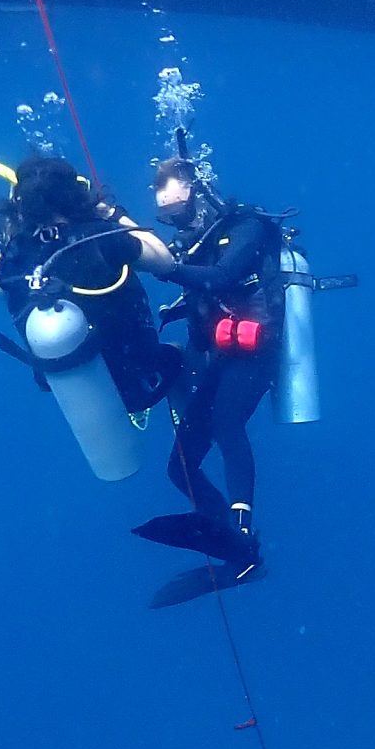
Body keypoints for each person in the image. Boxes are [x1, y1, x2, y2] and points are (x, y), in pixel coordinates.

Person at [132, 155, 288, 579]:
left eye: (169, 199)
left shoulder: (247, 227)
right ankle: (230, 540)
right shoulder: (195, 241)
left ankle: (241, 529)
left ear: (194, 188)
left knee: (227, 426)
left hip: (257, 349)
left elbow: (222, 277)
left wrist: (169, 269)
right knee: (179, 465)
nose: (167, 214)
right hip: (222, 353)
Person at [0, 154, 180, 421]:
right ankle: (182, 406)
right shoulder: (101, 238)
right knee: (181, 353)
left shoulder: (15, 258)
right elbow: (164, 261)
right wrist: (115, 214)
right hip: (139, 378)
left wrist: (13, 231)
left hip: (79, 395)